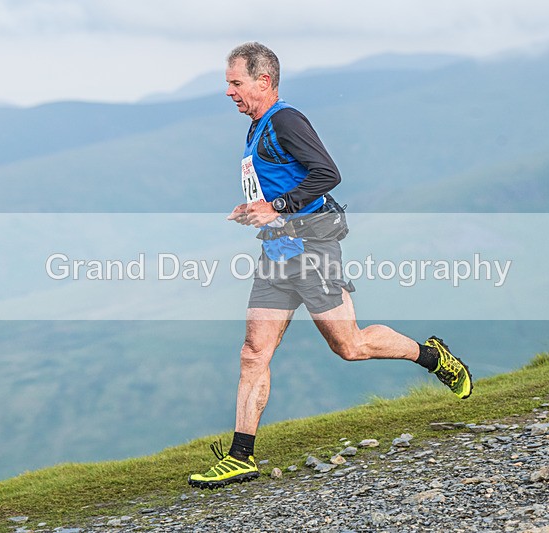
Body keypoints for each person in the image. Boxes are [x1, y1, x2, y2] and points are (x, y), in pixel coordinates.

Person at [188, 42, 472, 489]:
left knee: (350, 346)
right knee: (253, 351)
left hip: (314, 246)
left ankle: (434, 357)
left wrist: (278, 204)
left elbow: (326, 173)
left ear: (264, 81)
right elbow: (282, 185)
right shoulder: (257, 126)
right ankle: (241, 456)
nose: (228, 91)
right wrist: (257, 209)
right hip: (277, 252)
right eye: (228, 83)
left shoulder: (285, 119)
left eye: (234, 82)